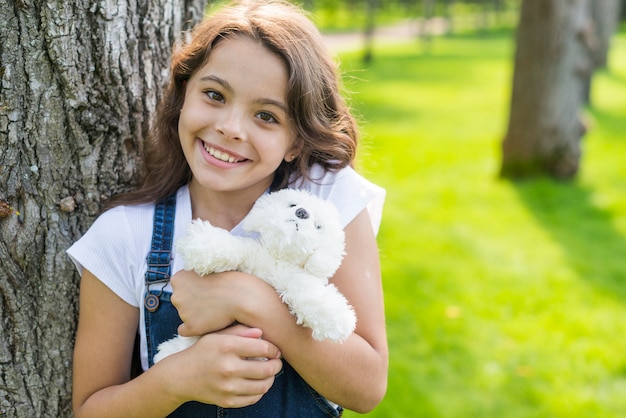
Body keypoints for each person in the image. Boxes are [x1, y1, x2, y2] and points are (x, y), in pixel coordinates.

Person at [67, 0, 387, 416]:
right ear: (183, 93)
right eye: (215, 94)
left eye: (266, 116)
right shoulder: (126, 235)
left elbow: (367, 388)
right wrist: (176, 380)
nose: (230, 128)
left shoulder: (325, 201)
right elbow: (90, 409)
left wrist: (251, 298)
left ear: (295, 142)